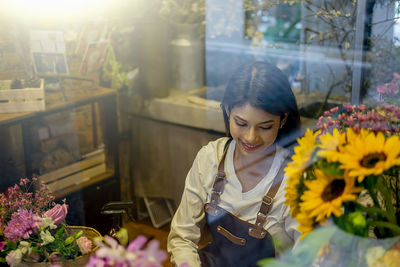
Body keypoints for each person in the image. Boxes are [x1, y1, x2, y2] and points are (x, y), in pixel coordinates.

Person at [167, 61, 302, 267]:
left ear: (282, 120)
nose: (251, 137)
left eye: (265, 127)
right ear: (228, 110)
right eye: (241, 123)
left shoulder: (295, 178)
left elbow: (311, 259)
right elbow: (182, 237)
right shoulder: (211, 158)